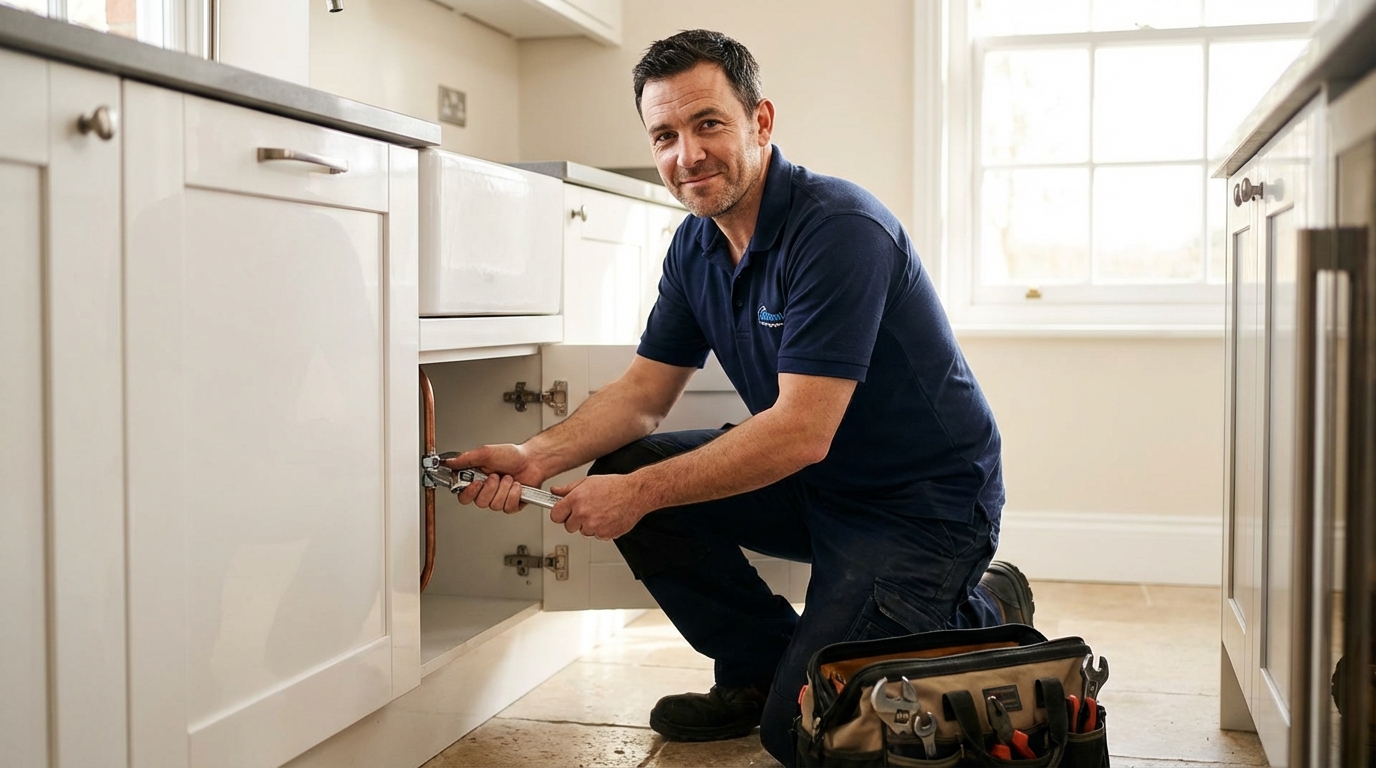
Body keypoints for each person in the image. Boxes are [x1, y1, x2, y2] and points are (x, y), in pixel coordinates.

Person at [444, 29, 1034, 766]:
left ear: (760, 122)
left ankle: (981, 608)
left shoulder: (839, 231)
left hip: (921, 507)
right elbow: (641, 395)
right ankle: (762, 669)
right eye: (664, 134)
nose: (686, 154)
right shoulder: (695, 246)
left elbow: (799, 433)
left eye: (708, 124)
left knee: (809, 737)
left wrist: (638, 494)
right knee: (627, 464)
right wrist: (534, 455)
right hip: (814, 489)